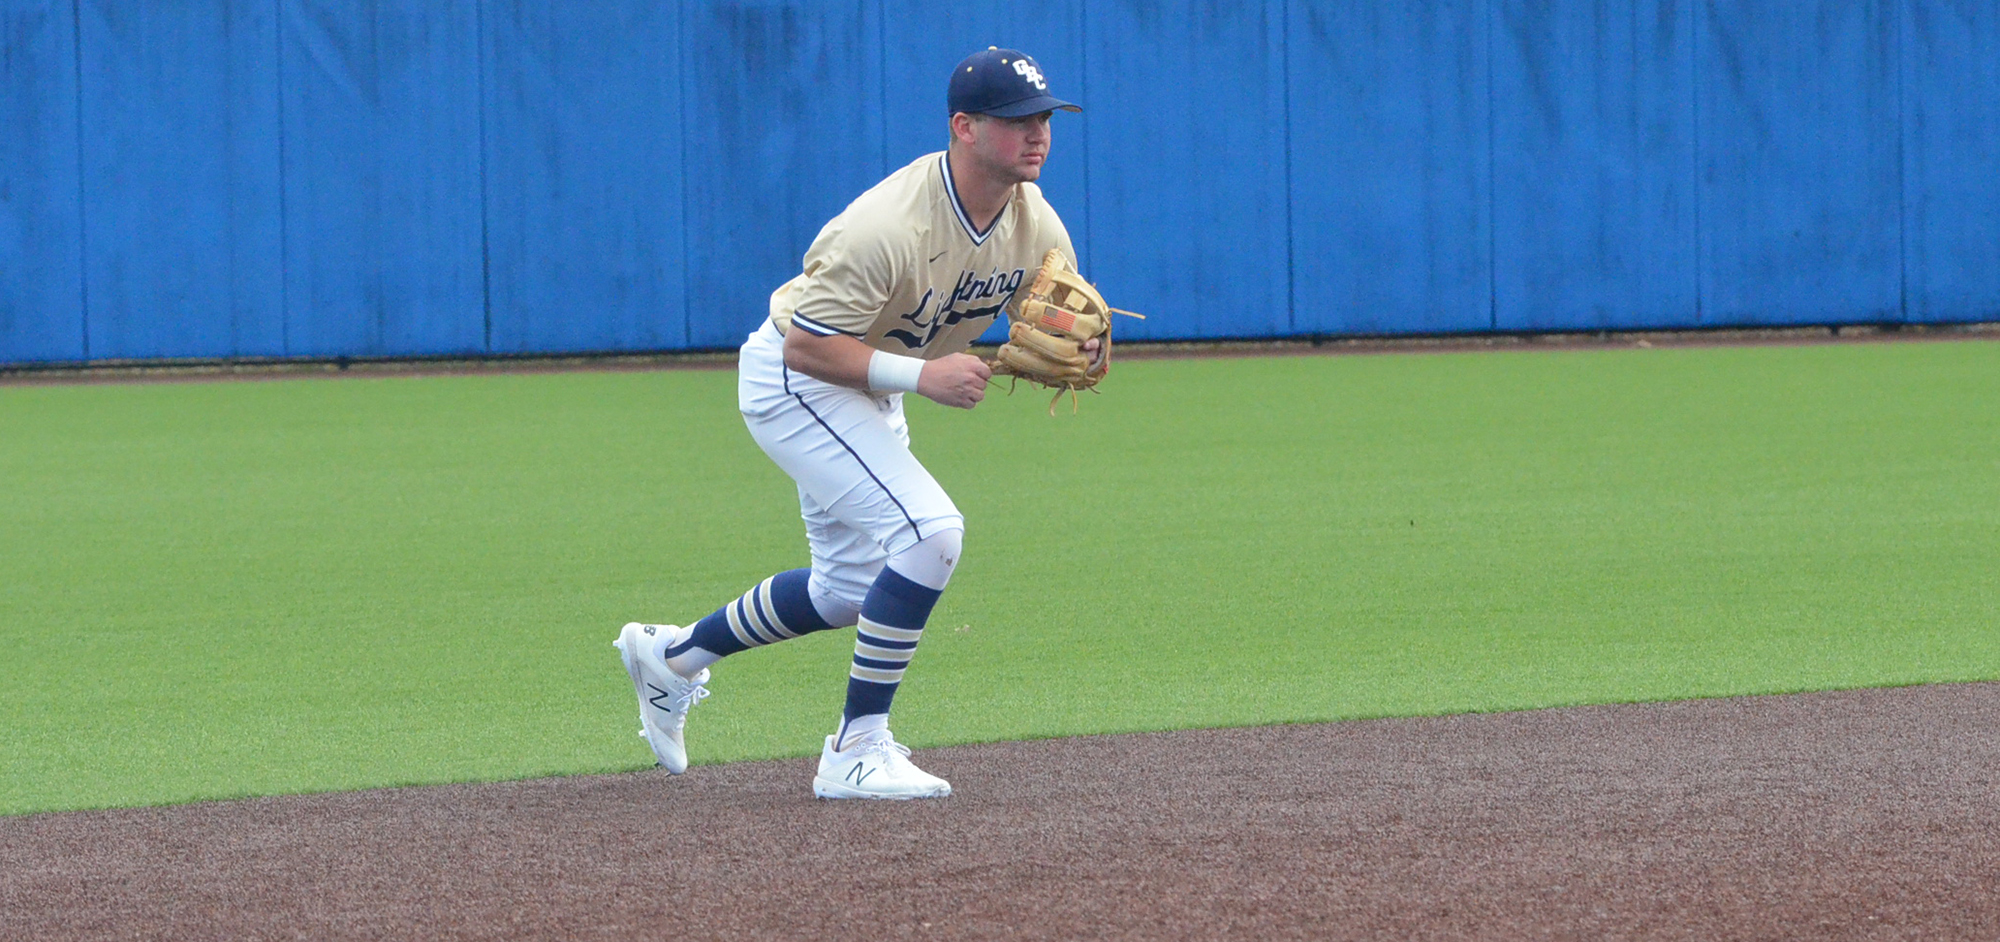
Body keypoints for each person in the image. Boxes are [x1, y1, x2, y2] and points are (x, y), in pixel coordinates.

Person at [614, 47, 1093, 799]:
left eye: (1044, 118)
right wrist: (923, 376)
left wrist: (1083, 346)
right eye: (1015, 120)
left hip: (865, 385)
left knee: (848, 590)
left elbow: (1058, 316)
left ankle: (669, 657)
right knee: (931, 533)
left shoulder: (1036, 224)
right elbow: (806, 345)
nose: (1037, 134)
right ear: (964, 128)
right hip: (794, 379)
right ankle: (856, 748)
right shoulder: (886, 225)